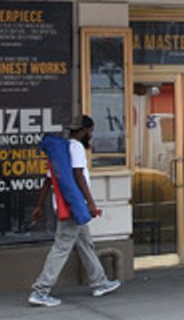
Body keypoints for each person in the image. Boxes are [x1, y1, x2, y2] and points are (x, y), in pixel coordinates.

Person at [28, 115, 121, 307]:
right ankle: (40, 290)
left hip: (67, 204)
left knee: (85, 243)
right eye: (91, 132)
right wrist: (90, 203)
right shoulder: (76, 147)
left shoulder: (60, 150)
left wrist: (39, 205)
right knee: (62, 247)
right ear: (84, 131)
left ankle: (99, 282)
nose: (91, 135)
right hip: (74, 206)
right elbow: (79, 175)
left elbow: (48, 180)